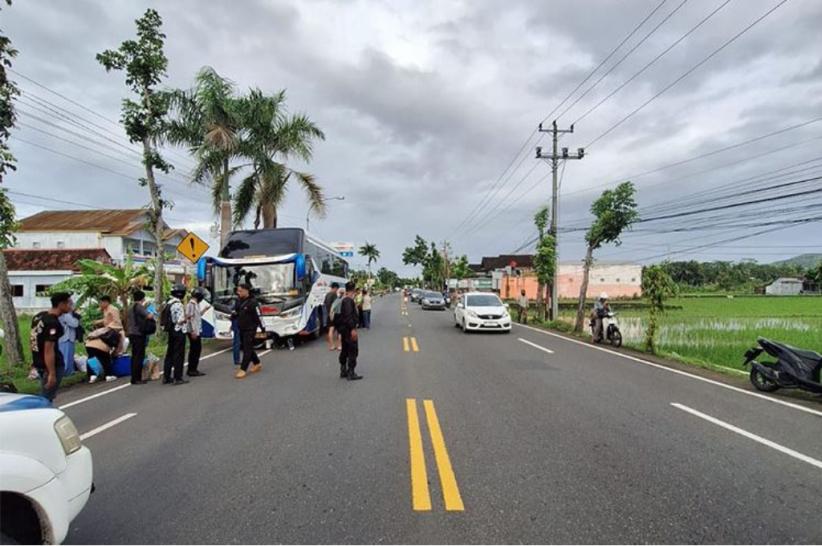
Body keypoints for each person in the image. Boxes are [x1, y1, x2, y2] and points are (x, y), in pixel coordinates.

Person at [30, 292, 72, 401]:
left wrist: (34, 360)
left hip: (39, 362)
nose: (71, 306)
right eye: (69, 303)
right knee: (46, 398)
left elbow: (33, 340)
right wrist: (52, 374)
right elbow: (49, 350)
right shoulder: (52, 323)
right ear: (61, 304)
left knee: (45, 395)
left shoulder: (38, 317)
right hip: (51, 365)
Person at [234, 283, 265, 379]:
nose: (239, 293)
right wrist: (233, 316)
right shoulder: (238, 301)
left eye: (241, 291)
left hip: (250, 328)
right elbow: (237, 312)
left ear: (246, 291)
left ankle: (243, 369)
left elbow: (259, 315)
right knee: (246, 346)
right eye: (238, 291)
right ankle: (257, 363)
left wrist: (263, 327)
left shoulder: (253, 302)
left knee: (247, 348)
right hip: (241, 327)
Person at [335, 281, 362, 381]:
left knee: (345, 350)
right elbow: (348, 316)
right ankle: (351, 372)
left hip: (343, 330)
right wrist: (353, 329)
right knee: (353, 350)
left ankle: (343, 370)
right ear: (353, 290)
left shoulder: (342, 300)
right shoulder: (348, 301)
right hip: (348, 330)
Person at [163, 284, 189, 385]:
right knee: (178, 355)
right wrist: (186, 318)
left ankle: (166, 377)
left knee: (169, 354)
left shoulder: (168, 302)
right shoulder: (178, 304)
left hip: (171, 331)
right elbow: (180, 320)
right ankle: (178, 377)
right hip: (179, 331)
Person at [126, 290, 152, 385]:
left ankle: (134, 377)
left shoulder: (130, 307)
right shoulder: (139, 306)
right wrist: (152, 312)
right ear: (142, 298)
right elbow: (149, 316)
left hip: (131, 333)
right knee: (139, 356)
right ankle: (137, 378)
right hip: (139, 333)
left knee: (134, 356)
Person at [186, 288, 210, 377]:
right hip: (193, 331)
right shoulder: (191, 304)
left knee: (196, 350)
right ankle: (192, 369)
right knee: (195, 350)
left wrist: (205, 309)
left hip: (196, 330)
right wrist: (192, 331)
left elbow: (197, 315)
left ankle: (193, 369)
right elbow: (189, 318)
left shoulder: (195, 304)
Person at [57, 302, 81, 375]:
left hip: (67, 338)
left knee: (69, 355)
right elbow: (75, 324)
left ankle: (69, 371)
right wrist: (77, 317)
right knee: (66, 356)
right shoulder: (67, 315)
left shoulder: (67, 314)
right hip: (66, 338)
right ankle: (66, 371)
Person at [324, 282, 340, 351]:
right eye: (337, 289)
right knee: (339, 330)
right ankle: (339, 346)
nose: (337, 290)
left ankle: (332, 346)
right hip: (335, 314)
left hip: (329, 314)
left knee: (330, 330)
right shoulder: (334, 294)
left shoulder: (327, 295)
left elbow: (325, 303)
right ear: (335, 288)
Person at [230, 287, 242, 368]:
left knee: (237, 340)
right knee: (237, 341)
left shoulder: (235, 300)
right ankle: (237, 359)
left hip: (236, 320)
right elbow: (234, 311)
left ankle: (237, 359)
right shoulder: (238, 300)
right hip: (237, 320)